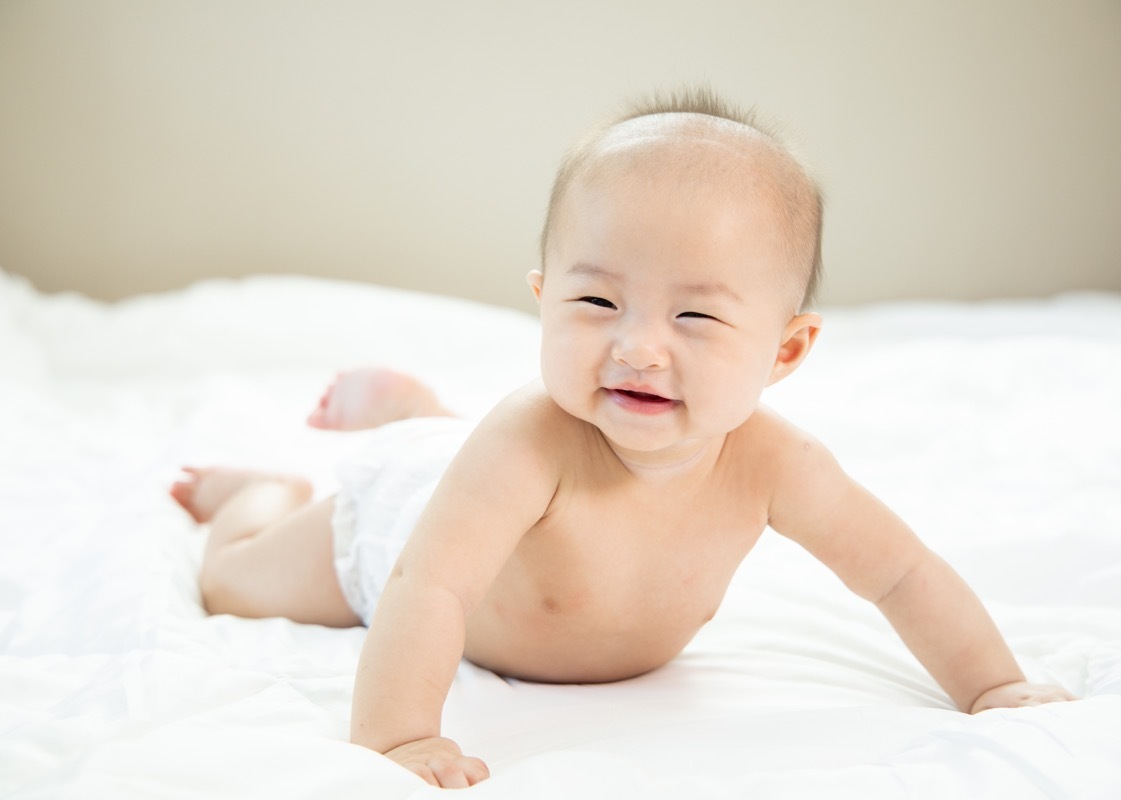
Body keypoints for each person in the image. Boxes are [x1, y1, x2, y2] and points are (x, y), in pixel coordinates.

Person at [170, 87, 1075, 789]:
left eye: (694, 315)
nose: (638, 347)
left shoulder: (775, 463)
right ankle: (262, 493)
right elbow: (430, 584)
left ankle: (420, 412)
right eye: (597, 301)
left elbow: (902, 572)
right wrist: (400, 737)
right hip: (395, 526)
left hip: (463, 482)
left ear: (786, 348)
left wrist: (991, 684)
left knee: (456, 457)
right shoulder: (531, 439)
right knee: (230, 583)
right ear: (543, 299)